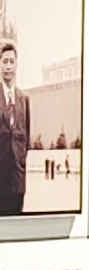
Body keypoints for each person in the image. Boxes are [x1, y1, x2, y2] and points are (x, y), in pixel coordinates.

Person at [0, 25, 27, 217]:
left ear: (17, 64)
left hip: (17, 182)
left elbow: (26, 139)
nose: (8, 66)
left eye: (11, 61)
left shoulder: (24, 99)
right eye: (4, 61)